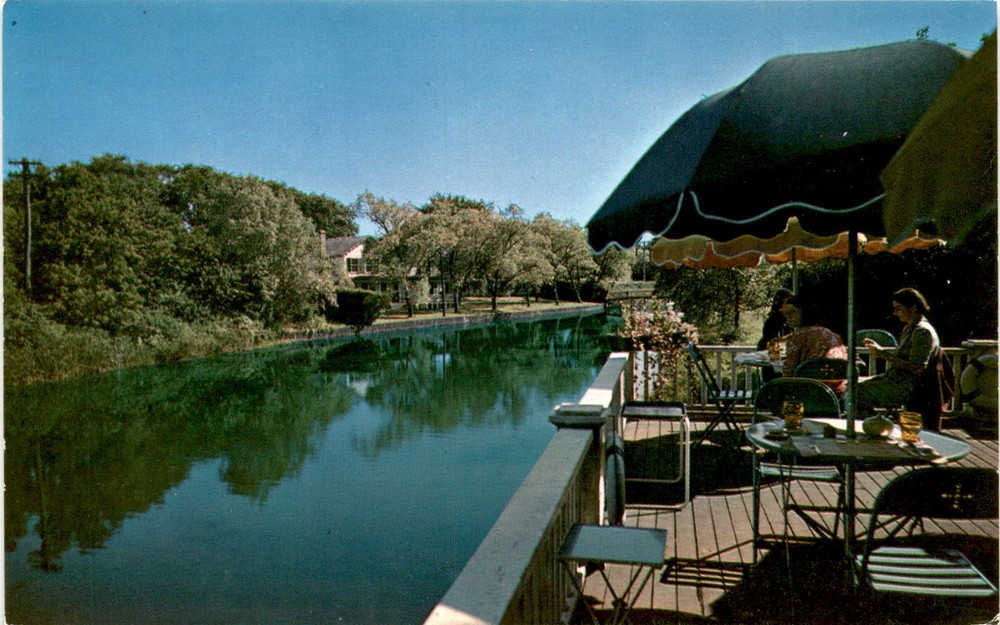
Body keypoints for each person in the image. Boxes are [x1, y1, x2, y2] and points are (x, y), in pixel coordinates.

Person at [855, 288, 943, 429]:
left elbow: (918, 368)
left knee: (855, 393)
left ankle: (873, 428)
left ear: (912, 308)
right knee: (852, 386)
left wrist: (884, 354)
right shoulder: (910, 328)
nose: (895, 313)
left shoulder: (922, 331)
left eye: (898, 309)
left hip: (906, 387)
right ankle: (874, 425)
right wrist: (881, 351)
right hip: (896, 380)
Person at [780, 296, 848, 393]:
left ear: (804, 312)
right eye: (786, 314)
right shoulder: (832, 334)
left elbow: (788, 372)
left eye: (792, 312)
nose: (788, 317)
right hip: (837, 391)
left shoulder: (797, 336)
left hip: (810, 391)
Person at [757, 288, 794, 382]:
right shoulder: (773, 320)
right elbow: (771, 340)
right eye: (788, 302)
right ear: (781, 303)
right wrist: (792, 336)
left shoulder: (789, 319)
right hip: (771, 358)